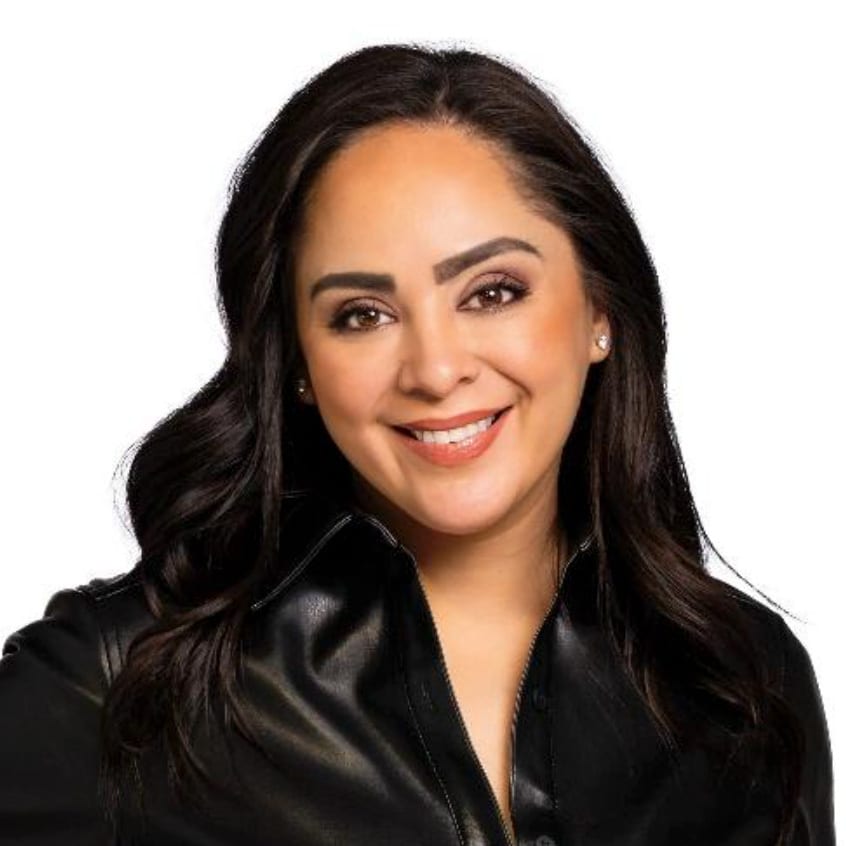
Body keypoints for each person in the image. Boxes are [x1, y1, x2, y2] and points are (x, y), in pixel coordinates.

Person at [0, 43, 835, 846]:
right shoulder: (111, 684)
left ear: (599, 313)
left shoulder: (744, 684)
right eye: (362, 315)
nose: (436, 370)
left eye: (492, 292)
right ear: (298, 363)